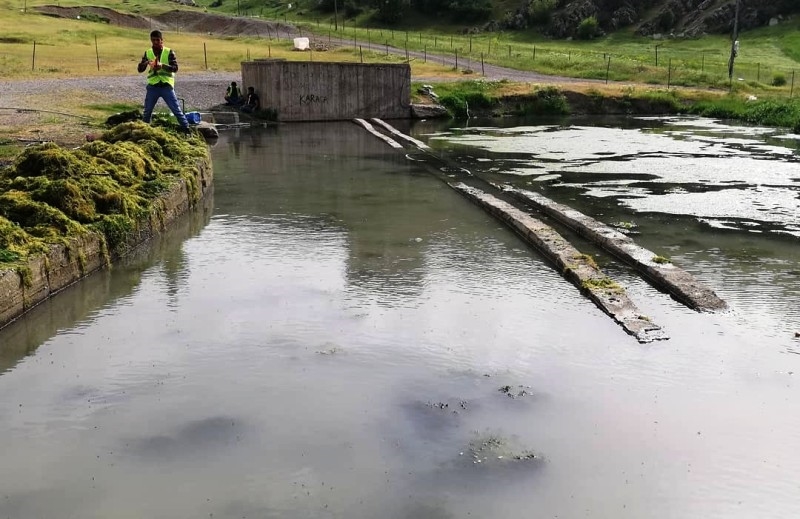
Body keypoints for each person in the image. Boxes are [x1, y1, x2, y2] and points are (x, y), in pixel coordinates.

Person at [137, 30, 190, 133]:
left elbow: (175, 68)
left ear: (162, 40)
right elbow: (140, 69)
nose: (156, 42)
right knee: (147, 111)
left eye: (158, 40)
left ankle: (187, 130)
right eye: (153, 40)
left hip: (166, 86)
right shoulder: (148, 53)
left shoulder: (169, 52)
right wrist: (147, 62)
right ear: (151, 40)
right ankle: (145, 132)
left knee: (176, 110)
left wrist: (162, 66)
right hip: (153, 87)